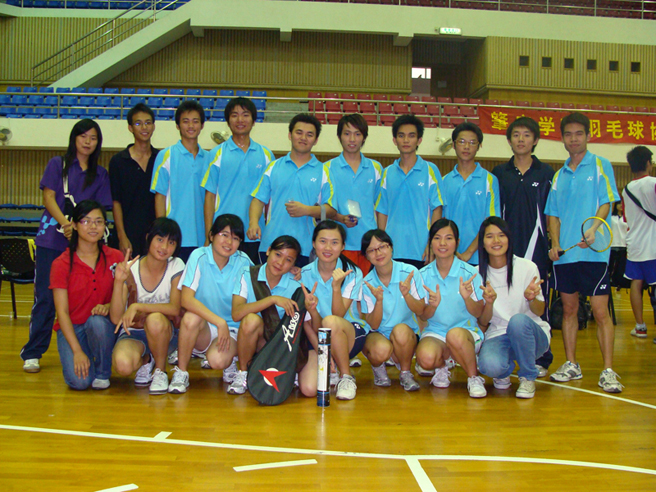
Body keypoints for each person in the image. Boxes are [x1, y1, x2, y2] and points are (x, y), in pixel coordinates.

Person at [21, 119, 112, 374]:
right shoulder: (57, 164)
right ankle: (33, 352)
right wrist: (66, 224)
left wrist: (84, 229)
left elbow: (99, 208)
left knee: (86, 296)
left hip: (84, 245)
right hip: (52, 240)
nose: (87, 142)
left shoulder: (100, 174)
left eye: (93, 138)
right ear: (74, 138)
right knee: (45, 298)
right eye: (83, 136)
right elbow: (48, 197)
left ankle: (86, 347)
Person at [545, 112, 621, 393]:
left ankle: (608, 370)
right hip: (566, 256)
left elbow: (607, 201)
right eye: (568, 134)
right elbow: (552, 214)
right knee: (569, 310)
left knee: (600, 312)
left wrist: (594, 229)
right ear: (562, 138)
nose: (574, 139)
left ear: (588, 136)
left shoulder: (601, 165)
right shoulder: (559, 175)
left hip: (593, 254)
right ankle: (572, 364)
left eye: (579, 133)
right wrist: (555, 243)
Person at [492, 116, 554, 376]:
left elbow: (552, 213)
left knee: (536, 298)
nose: (521, 139)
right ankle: (499, 350)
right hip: (503, 249)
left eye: (527, 135)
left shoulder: (547, 173)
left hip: (537, 248)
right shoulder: (499, 173)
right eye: (516, 135)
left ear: (535, 140)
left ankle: (541, 357)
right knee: (503, 299)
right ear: (509, 140)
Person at [167, 214, 253, 394]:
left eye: (235, 238)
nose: (229, 242)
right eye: (224, 235)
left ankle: (229, 360)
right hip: (206, 326)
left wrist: (292, 271)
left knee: (217, 361)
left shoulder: (243, 261)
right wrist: (219, 322)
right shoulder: (199, 256)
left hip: (232, 329)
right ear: (211, 235)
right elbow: (186, 299)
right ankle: (181, 372)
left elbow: (266, 277)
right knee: (190, 318)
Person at [229, 235, 317, 396]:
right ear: (268, 251)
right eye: (278, 254)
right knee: (250, 320)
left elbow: (308, 327)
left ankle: (287, 369)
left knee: (309, 390)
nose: (280, 263)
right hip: (257, 341)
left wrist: (325, 355)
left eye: (288, 260)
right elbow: (236, 313)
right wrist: (272, 299)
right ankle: (243, 373)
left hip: (283, 346)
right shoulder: (247, 274)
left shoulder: (297, 284)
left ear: (294, 264)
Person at [476, 217, 551, 399]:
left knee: (517, 322)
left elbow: (540, 311)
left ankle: (528, 377)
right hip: (499, 334)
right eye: (490, 236)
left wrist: (531, 299)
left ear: (509, 239)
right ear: (482, 243)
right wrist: (489, 303)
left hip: (532, 335)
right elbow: (483, 322)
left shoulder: (527, 267)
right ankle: (503, 371)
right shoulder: (477, 273)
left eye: (501, 235)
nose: (496, 241)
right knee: (489, 366)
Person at [51, 200, 122, 390]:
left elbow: (127, 296)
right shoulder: (61, 263)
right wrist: (77, 351)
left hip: (104, 326)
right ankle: (89, 356)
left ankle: (103, 372)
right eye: (86, 221)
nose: (93, 226)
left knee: (96, 322)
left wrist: (108, 306)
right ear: (74, 225)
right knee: (80, 382)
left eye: (99, 221)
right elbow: (62, 312)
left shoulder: (116, 257)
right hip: (73, 328)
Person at [109, 218, 184, 395]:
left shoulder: (176, 265)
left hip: (165, 333)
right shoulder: (130, 269)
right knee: (123, 365)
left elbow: (175, 308)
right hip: (135, 333)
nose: (164, 247)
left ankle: (160, 371)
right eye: (160, 239)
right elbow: (116, 318)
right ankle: (147, 360)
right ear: (148, 238)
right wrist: (118, 282)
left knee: (155, 319)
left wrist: (138, 307)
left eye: (171, 242)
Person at [248, 114, 334, 267]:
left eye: (309, 135)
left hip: (306, 249)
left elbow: (330, 210)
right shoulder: (273, 167)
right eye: (299, 132)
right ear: (290, 135)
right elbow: (258, 199)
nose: (303, 138)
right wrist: (254, 222)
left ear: (316, 140)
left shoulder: (324, 171)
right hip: (272, 244)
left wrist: (307, 210)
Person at [416, 219, 486, 397]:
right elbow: (422, 316)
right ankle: (442, 365)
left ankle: (473, 378)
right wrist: (432, 306)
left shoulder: (470, 273)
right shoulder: (422, 275)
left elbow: (479, 312)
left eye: (448, 238)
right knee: (425, 358)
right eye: (437, 238)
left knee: (454, 335)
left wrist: (467, 297)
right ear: (430, 242)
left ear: (457, 242)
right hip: (436, 333)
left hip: (465, 333)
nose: (442, 243)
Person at [300, 220, 368, 400]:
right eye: (322, 241)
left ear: (343, 246)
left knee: (330, 321)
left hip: (349, 333)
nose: (328, 247)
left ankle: (346, 377)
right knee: (308, 389)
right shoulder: (303, 274)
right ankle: (332, 366)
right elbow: (307, 324)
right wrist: (323, 353)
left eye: (335, 242)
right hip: (317, 335)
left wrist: (336, 287)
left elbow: (337, 316)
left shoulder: (352, 272)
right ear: (313, 243)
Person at [202, 97, 274, 264]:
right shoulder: (216, 154)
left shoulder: (266, 155)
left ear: (254, 121)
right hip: (224, 234)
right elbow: (209, 197)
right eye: (234, 115)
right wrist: (209, 235)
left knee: (252, 278)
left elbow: (270, 199)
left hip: (255, 234)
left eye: (245, 115)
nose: (240, 119)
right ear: (228, 121)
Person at [360, 229, 426, 391]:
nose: (378, 253)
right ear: (366, 256)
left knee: (401, 330)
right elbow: (373, 325)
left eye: (382, 247)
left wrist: (407, 295)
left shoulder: (409, 272)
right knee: (380, 350)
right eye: (371, 250)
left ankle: (405, 373)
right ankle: (378, 369)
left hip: (405, 335)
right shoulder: (366, 283)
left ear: (391, 247)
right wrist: (379, 301)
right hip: (378, 334)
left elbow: (421, 310)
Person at [376, 114, 443, 270]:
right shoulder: (387, 172)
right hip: (393, 251)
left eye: (411, 136)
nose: (406, 140)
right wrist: (381, 245)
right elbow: (382, 212)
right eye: (401, 136)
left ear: (419, 140)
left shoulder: (430, 170)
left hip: (421, 251)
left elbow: (437, 209)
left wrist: (432, 243)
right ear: (395, 140)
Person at [323, 114, 382, 273]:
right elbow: (321, 209)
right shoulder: (327, 168)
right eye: (347, 133)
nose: (352, 139)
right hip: (338, 243)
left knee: (368, 287)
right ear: (339, 136)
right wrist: (340, 218)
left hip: (369, 244)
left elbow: (381, 207)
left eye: (357, 134)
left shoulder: (376, 168)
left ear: (364, 137)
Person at [151, 100, 208, 262]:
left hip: (202, 238)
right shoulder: (166, 156)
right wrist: (162, 233)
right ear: (177, 125)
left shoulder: (209, 158)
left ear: (202, 125)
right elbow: (160, 196)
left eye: (195, 121)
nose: (191, 126)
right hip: (173, 237)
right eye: (185, 121)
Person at [442, 122, 500, 265]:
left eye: (472, 142)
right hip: (449, 256)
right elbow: (441, 222)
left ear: (479, 146)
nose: (466, 146)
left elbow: (491, 221)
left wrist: (468, 252)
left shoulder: (489, 180)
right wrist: (452, 251)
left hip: (480, 256)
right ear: (453, 145)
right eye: (462, 142)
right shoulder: (443, 181)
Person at [109, 103, 159, 257]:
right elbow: (116, 202)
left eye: (148, 123)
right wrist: (122, 236)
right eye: (138, 123)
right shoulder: (118, 161)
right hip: (128, 235)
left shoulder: (161, 159)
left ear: (154, 126)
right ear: (130, 128)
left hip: (154, 235)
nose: (144, 127)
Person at [622, 146, 656, 341]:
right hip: (653, 244)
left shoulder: (626, 189)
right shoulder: (653, 183)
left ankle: (640, 326)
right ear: (648, 163)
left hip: (634, 245)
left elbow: (626, 218)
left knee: (636, 283)